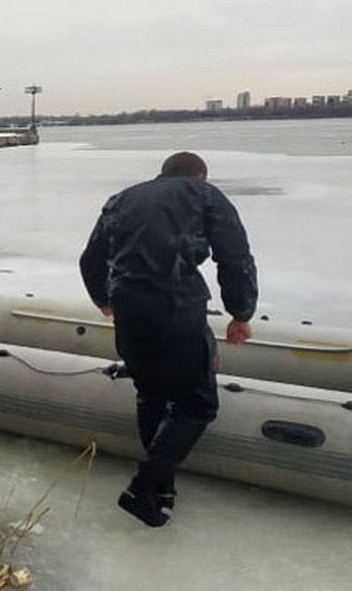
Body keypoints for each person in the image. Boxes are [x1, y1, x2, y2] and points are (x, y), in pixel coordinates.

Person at [79, 151, 258, 527]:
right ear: (200, 175)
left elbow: (90, 260)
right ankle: (143, 487)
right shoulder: (204, 195)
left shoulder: (122, 200)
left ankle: (162, 489)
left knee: (151, 394)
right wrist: (241, 313)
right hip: (176, 309)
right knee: (197, 405)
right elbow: (235, 257)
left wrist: (104, 300)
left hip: (129, 308)